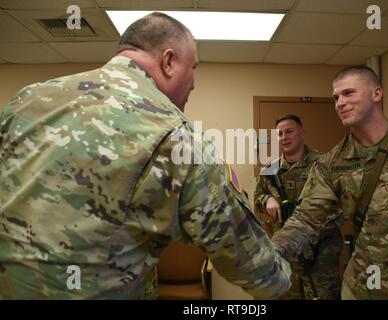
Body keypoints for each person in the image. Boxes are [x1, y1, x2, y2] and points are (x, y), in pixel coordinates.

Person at [0, 12, 291, 299]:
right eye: (193, 67)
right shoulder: (177, 136)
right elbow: (247, 258)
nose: (194, 83)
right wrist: (282, 279)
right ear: (168, 62)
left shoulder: (27, 100)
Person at [272, 65, 388, 299]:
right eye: (335, 97)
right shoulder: (331, 163)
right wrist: (269, 252)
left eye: (348, 93)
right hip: (361, 287)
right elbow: (306, 219)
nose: (339, 103)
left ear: (377, 94)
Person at [254, 115, 341, 300]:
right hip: (287, 254)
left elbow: (339, 204)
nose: (284, 137)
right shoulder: (270, 170)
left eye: (289, 131)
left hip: (321, 253)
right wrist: (267, 199)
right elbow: (256, 199)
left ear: (301, 132)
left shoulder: (324, 164)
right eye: (280, 134)